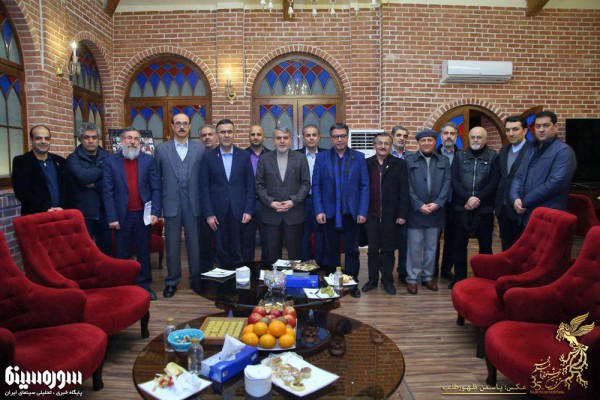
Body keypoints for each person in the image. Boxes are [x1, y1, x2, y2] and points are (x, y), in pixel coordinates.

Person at [103, 127, 161, 300]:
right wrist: (112, 217)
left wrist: (155, 212)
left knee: (144, 252)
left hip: (143, 215)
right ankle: (125, 287)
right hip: (122, 216)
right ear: (122, 140)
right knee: (122, 253)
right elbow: (107, 192)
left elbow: (156, 188)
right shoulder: (110, 162)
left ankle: (144, 286)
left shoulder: (148, 160)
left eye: (136, 139)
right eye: (129, 138)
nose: (132, 142)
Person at [313, 122, 369, 298]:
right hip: (329, 214)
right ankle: (333, 284)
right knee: (331, 251)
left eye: (343, 136)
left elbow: (364, 186)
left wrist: (362, 211)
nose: (339, 140)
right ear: (331, 138)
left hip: (352, 214)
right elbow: (316, 186)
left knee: (352, 251)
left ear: (347, 137)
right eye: (336, 136)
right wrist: (319, 210)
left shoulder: (359, 157)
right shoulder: (321, 158)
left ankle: (352, 285)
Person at [154, 113, 205, 298]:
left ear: (189, 127)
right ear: (172, 126)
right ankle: (171, 281)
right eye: (178, 124)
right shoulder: (161, 149)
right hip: (171, 203)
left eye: (185, 124)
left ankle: (196, 280)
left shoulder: (200, 148)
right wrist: (157, 207)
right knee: (172, 245)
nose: (182, 127)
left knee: (195, 245)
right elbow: (156, 180)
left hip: (194, 203)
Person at [199, 119, 255, 267]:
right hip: (217, 214)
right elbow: (204, 187)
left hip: (240, 212)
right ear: (217, 134)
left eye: (229, 131)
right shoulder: (208, 157)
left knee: (239, 251)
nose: (226, 135)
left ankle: (238, 279)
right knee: (221, 252)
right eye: (223, 132)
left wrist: (249, 210)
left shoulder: (244, 156)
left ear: (234, 133)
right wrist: (208, 214)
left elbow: (250, 185)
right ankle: (224, 280)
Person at [449, 127, 499, 289]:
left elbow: (494, 182)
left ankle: (484, 278)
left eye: (479, 137)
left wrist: (477, 199)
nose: (476, 140)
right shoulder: (459, 156)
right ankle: (459, 278)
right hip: (462, 207)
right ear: (468, 138)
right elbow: (454, 180)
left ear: (485, 139)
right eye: (473, 137)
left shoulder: (493, 156)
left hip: (484, 208)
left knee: (485, 245)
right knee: (459, 244)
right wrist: (467, 198)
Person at [361, 133, 409, 295]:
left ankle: (387, 280)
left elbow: (404, 191)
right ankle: (372, 280)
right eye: (379, 143)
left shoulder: (400, 164)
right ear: (374, 145)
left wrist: (402, 213)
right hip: (371, 214)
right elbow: (361, 188)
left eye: (386, 143)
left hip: (391, 215)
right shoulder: (366, 164)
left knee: (388, 249)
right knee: (373, 250)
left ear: (390, 145)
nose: (383, 146)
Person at [405, 129, 451, 295]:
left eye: (430, 140)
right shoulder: (409, 160)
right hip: (415, 212)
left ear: (434, 142)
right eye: (423, 140)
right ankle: (412, 278)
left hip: (435, 212)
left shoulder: (444, 160)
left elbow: (447, 183)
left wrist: (437, 203)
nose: (426, 143)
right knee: (415, 247)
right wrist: (418, 205)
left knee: (432, 246)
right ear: (418, 142)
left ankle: (428, 277)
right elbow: (407, 185)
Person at [511, 111, 577, 225]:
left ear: (555, 127)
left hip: (549, 217)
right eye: (537, 126)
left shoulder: (564, 152)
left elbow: (555, 183)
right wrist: (515, 198)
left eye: (546, 125)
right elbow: (518, 177)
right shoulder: (530, 150)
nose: (541, 129)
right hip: (526, 215)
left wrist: (524, 201)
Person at [255, 127, 310, 261]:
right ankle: (274, 276)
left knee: (295, 256)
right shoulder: (264, 159)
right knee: (272, 256)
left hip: (294, 214)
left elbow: (305, 184)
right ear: (273, 141)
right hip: (271, 214)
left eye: (285, 138)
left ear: (290, 140)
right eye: (279, 138)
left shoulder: (301, 158)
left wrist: (293, 201)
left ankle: (294, 276)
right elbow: (259, 185)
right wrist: (271, 202)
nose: (282, 141)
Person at [66, 122, 111, 255]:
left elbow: (112, 181)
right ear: (80, 139)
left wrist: (95, 184)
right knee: (83, 252)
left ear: (99, 139)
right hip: (84, 213)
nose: (91, 141)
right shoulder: (73, 158)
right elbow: (83, 177)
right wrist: (103, 170)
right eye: (86, 137)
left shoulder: (107, 157)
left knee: (106, 252)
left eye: (94, 137)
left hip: (105, 212)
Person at [12, 125, 69, 215]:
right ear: (31, 140)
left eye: (47, 138)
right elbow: (21, 191)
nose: (43, 141)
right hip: (35, 216)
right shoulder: (21, 162)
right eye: (38, 138)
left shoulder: (61, 161)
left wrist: (63, 207)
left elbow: (68, 188)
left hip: (60, 214)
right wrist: (44, 209)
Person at [495, 116, 531, 251]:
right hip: (503, 208)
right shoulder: (504, 150)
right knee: (506, 248)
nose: (511, 133)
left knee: (521, 249)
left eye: (515, 129)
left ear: (525, 131)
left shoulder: (532, 150)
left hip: (522, 208)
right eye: (508, 130)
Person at [435, 122, 461, 281]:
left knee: (452, 238)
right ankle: (432, 270)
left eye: (452, 133)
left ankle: (446, 269)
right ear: (441, 136)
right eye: (446, 133)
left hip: (455, 203)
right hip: (437, 204)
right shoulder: (434, 154)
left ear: (456, 136)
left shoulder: (462, 155)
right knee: (434, 238)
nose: (449, 136)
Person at [297, 124, 325, 262]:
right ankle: (305, 266)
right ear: (303, 138)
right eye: (308, 135)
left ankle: (320, 266)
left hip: (322, 202)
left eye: (314, 135)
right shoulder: (295, 155)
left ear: (319, 137)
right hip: (302, 202)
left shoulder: (327, 155)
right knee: (303, 235)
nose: (311, 138)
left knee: (321, 235)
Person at [243, 125, 270, 263]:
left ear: (263, 137)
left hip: (266, 204)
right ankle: (248, 270)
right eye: (252, 134)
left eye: (258, 134)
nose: (255, 137)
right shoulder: (242, 155)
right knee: (246, 240)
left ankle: (266, 270)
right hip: (247, 204)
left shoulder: (271, 155)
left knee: (268, 241)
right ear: (249, 137)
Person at [389, 125, 412, 285]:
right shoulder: (384, 155)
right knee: (388, 242)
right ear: (392, 136)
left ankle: (403, 272)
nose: (401, 138)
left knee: (405, 242)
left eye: (404, 136)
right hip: (388, 206)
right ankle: (387, 273)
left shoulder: (412, 157)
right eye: (398, 135)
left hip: (407, 205)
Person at [198, 124, 218, 273]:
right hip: (201, 207)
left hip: (221, 206)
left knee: (221, 245)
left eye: (210, 134)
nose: (207, 138)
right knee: (204, 244)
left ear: (215, 137)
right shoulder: (196, 156)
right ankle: (205, 274)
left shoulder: (221, 154)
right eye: (204, 135)